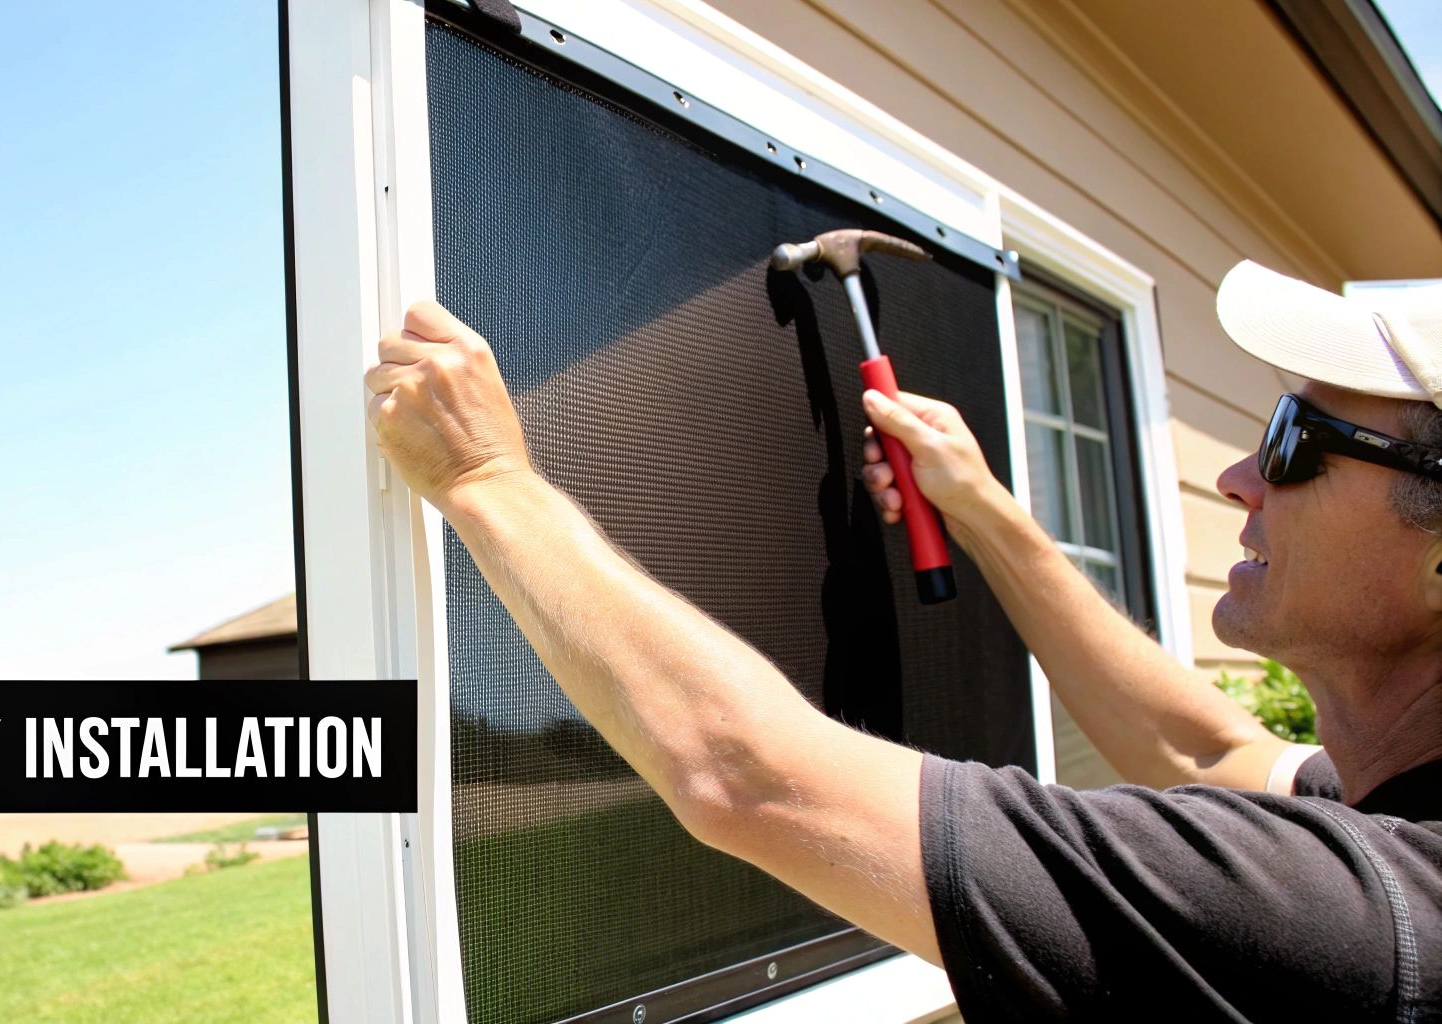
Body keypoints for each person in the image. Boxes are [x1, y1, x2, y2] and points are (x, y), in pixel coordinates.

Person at [363, 259, 1442, 1020]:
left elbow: (750, 778)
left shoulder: (1363, 923)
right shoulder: (1382, 821)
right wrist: (976, 506)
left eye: (1295, 441)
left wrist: (485, 480)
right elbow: (1199, 751)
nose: (1236, 477)